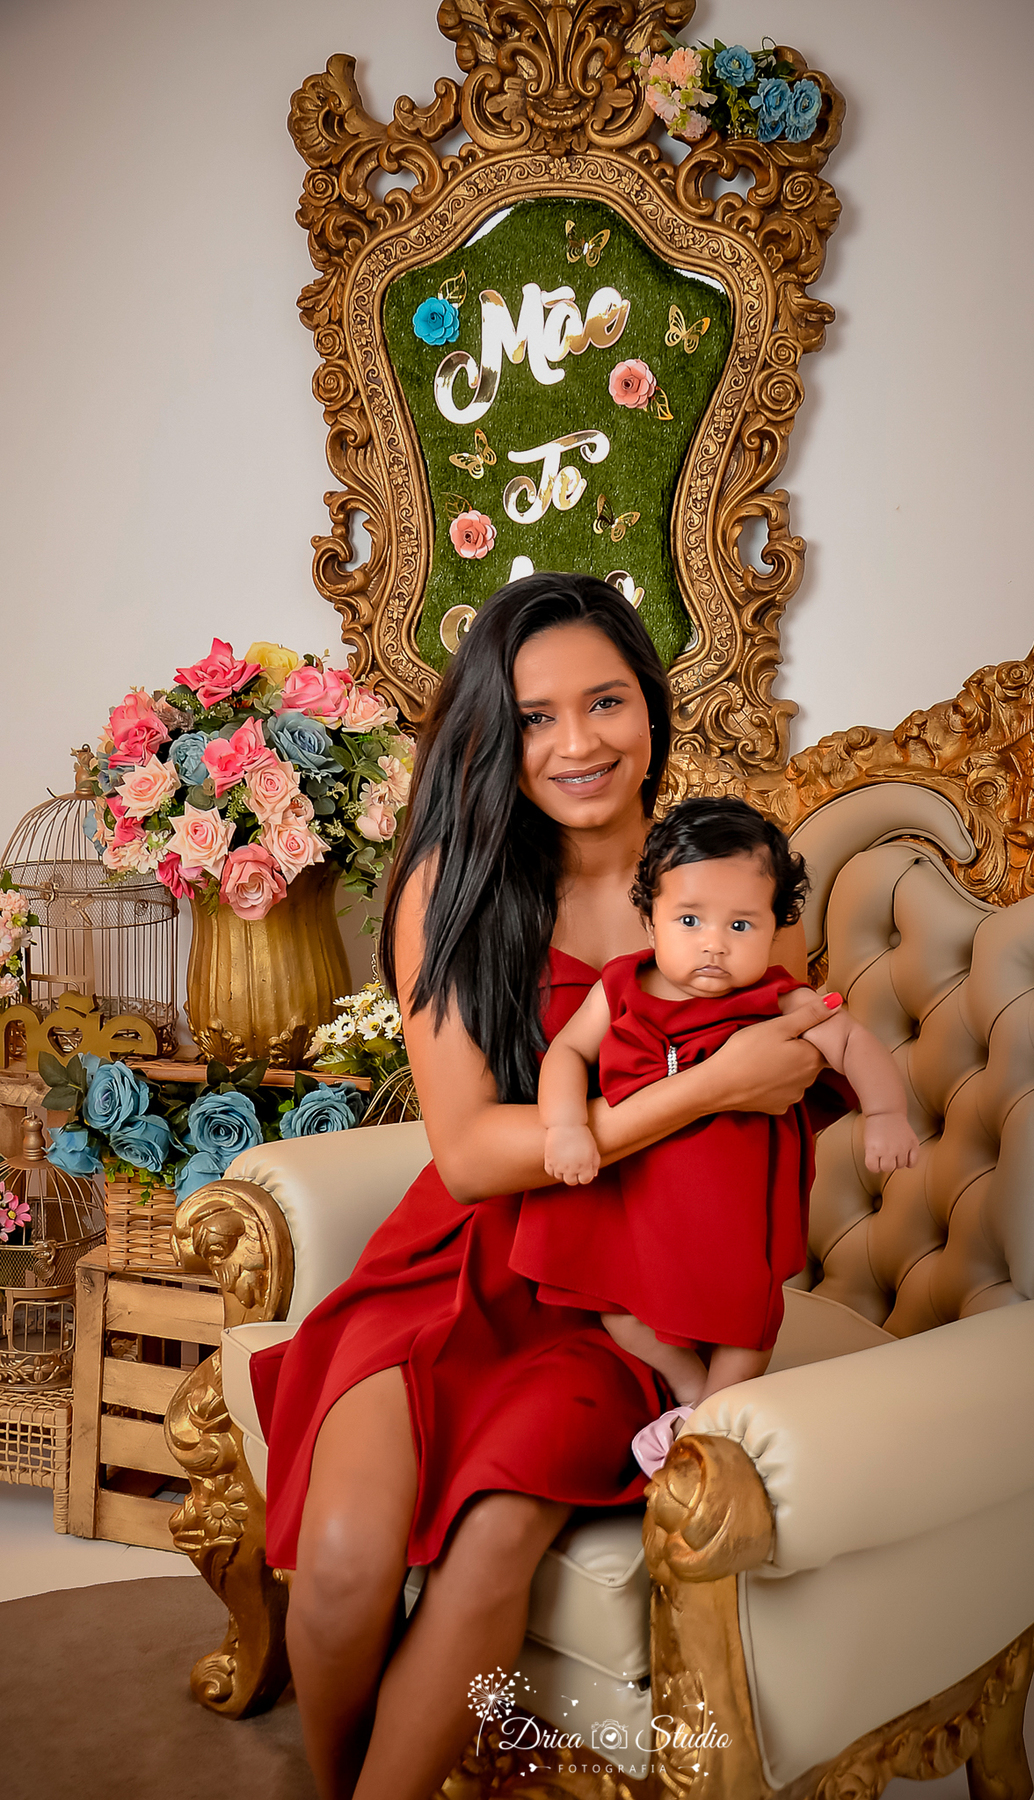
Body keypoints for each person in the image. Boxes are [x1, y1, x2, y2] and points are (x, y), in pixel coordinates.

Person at [245, 573, 842, 1800]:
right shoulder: (451, 888)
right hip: (453, 1260)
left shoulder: (719, 891)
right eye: (533, 716)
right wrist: (701, 1088)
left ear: (652, 707)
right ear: (489, 733)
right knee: (347, 1561)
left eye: (607, 701)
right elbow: (468, 1152)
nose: (578, 744)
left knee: (490, 1548)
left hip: (623, 1293)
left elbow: (788, 1092)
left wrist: (767, 1078)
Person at [514, 795, 918, 1470]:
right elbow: (567, 1055)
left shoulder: (779, 1000)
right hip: (636, 1198)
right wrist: (565, 1126)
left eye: (740, 924)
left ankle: (711, 1423)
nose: (714, 943)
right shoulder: (619, 988)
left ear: (774, 929)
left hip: (734, 1205)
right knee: (613, 1305)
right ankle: (693, 1395)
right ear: (649, 921)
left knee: (747, 1320)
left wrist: (886, 1114)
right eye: (690, 919)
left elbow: (853, 1045)